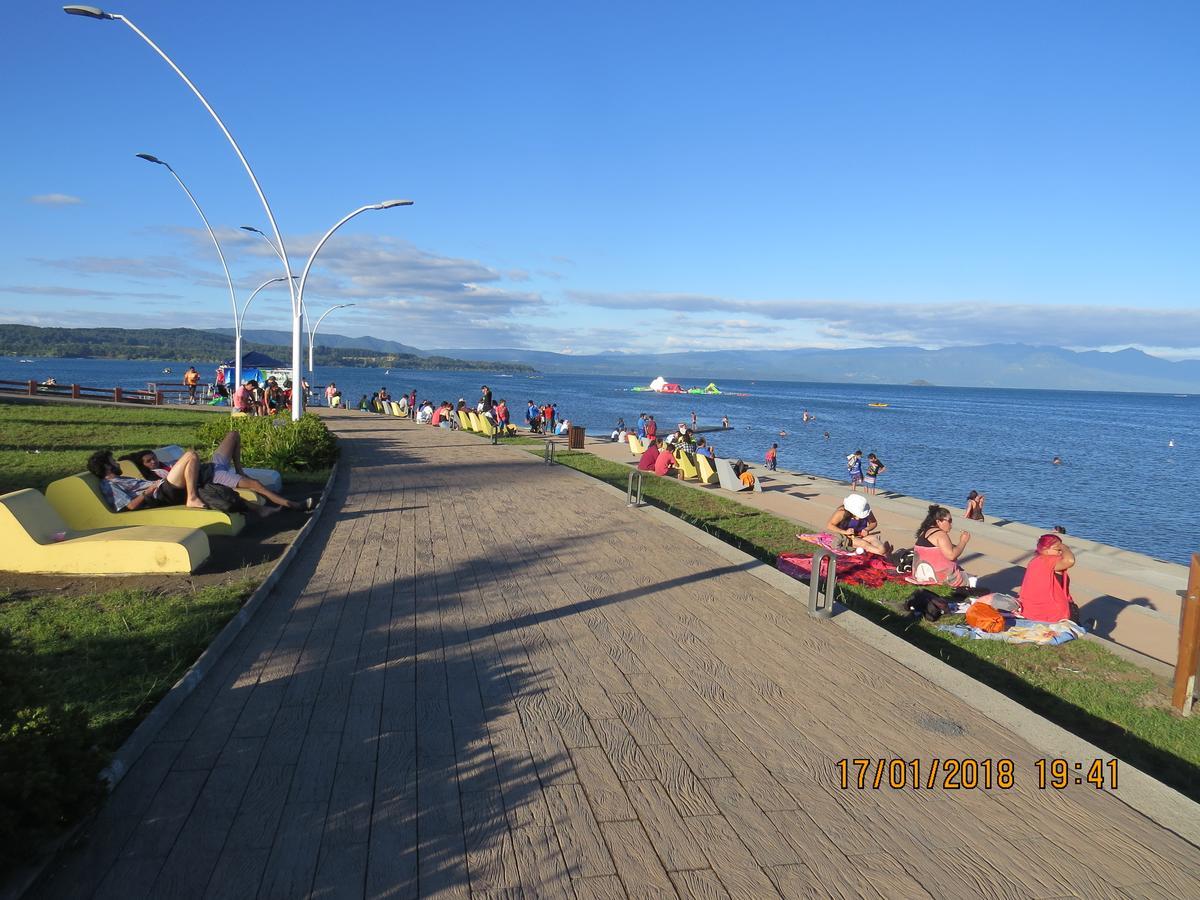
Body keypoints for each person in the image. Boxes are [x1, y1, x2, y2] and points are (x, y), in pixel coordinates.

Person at [125, 449, 288, 518]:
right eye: (148, 461)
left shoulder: (165, 465)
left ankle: (262, 510)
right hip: (185, 487)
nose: (153, 461)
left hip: (201, 476)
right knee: (192, 455)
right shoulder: (154, 475)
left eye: (154, 457)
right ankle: (192, 497)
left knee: (225, 494)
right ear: (143, 465)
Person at [87, 448, 206, 511]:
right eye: (113, 461)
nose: (117, 463)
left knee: (202, 469)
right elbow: (130, 507)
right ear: (107, 466)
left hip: (163, 488)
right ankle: (192, 497)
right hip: (161, 494)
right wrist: (150, 489)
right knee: (190, 455)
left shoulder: (119, 479)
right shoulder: (109, 485)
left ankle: (194, 495)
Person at [1018, 533, 1078, 622]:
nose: (1060, 552)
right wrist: (1064, 546)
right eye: (1057, 549)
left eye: (1060, 550)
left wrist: (1059, 547)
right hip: (1051, 613)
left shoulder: (1036, 561)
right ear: (1045, 550)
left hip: (1030, 611)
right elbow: (1070, 560)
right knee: (1073, 609)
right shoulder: (1046, 561)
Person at [912, 505, 972, 587]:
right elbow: (951, 555)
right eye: (949, 521)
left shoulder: (924, 532)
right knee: (971, 579)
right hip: (939, 579)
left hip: (920, 576)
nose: (951, 524)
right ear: (938, 522)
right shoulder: (940, 535)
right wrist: (963, 541)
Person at [825, 494, 891, 556]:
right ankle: (882, 552)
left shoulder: (866, 511)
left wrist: (866, 529)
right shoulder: (841, 513)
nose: (858, 518)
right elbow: (830, 525)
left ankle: (883, 549)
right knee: (864, 544)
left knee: (873, 538)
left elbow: (873, 523)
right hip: (847, 537)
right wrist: (845, 532)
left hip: (861, 535)